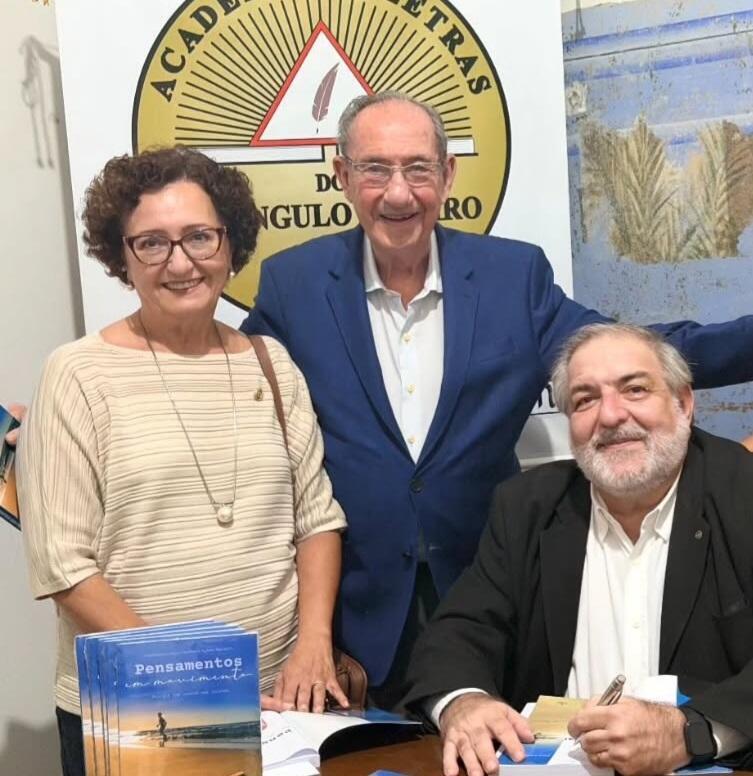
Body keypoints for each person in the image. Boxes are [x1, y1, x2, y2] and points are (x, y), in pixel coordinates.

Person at [241, 90, 753, 707]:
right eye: (375, 169)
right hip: (356, 615)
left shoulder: (513, 276)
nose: (398, 193)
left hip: (490, 591)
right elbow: (239, 394)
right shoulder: (294, 284)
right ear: (342, 174)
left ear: (448, 173)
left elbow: (630, 354)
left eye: (418, 168)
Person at [17, 146, 348, 776]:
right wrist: (196, 689)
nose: (180, 262)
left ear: (230, 243)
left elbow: (317, 520)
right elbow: (63, 565)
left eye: (199, 237)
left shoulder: (271, 364)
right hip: (138, 709)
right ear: (121, 256)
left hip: (278, 702)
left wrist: (313, 643)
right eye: (152, 243)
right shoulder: (78, 373)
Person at [403, 323, 753, 776]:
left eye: (635, 389)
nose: (610, 416)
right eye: (585, 400)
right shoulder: (527, 506)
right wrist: (463, 702)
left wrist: (690, 732)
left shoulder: (741, 491)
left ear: (683, 404)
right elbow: (458, 631)